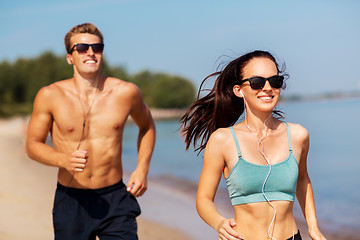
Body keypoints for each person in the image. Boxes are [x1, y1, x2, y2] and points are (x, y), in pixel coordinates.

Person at [26, 23, 156, 240]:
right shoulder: (50, 95)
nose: (90, 53)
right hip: (71, 199)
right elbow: (32, 145)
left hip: (115, 198)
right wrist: (63, 159)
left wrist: (142, 169)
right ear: (70, 57)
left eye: (97, 48)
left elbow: (147, 126)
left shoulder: (126, 92)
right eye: (82, 48)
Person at [180, 50, 326, 240]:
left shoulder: (298, 135)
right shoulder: (223, 140)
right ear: (238, 90)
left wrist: (313, 227)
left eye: (275, 81)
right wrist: (219, 223)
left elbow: (303, 181)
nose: (267, 88)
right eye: (257, 82)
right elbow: (203, 199)